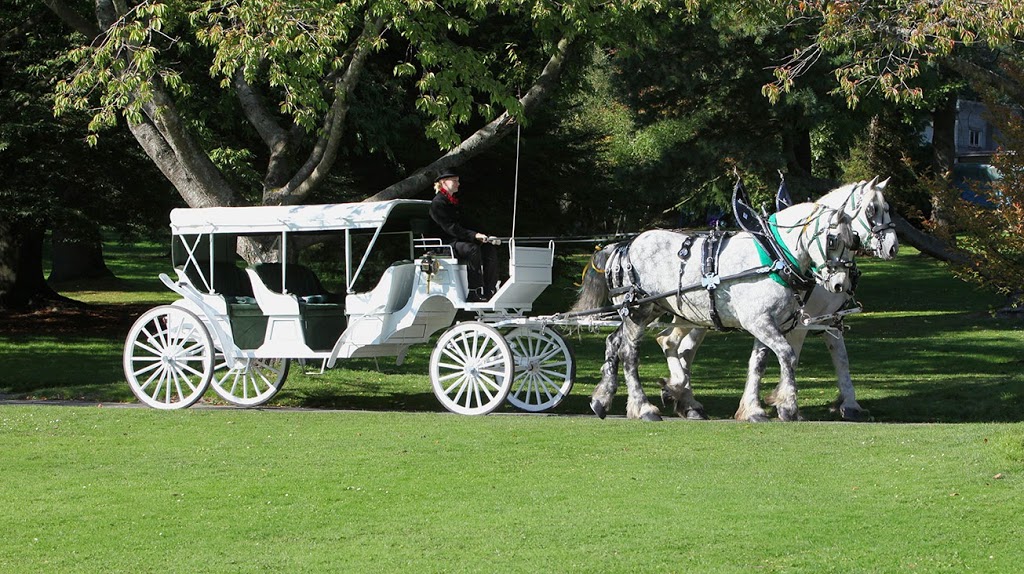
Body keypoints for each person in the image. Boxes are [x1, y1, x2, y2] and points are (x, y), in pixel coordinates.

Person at [429, 170, 500, 302]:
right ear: (444, 182)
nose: (458, 183)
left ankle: (490, 289)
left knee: (489, 249)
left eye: (458, 180)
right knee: (472, 249)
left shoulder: (454, 202)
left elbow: (468, 222)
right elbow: (451, 228)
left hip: (457, 241)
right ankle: (474, 291)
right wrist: (474, 235)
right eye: (455, 180)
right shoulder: (438, 204)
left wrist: (486, 235)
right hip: (444, 244)